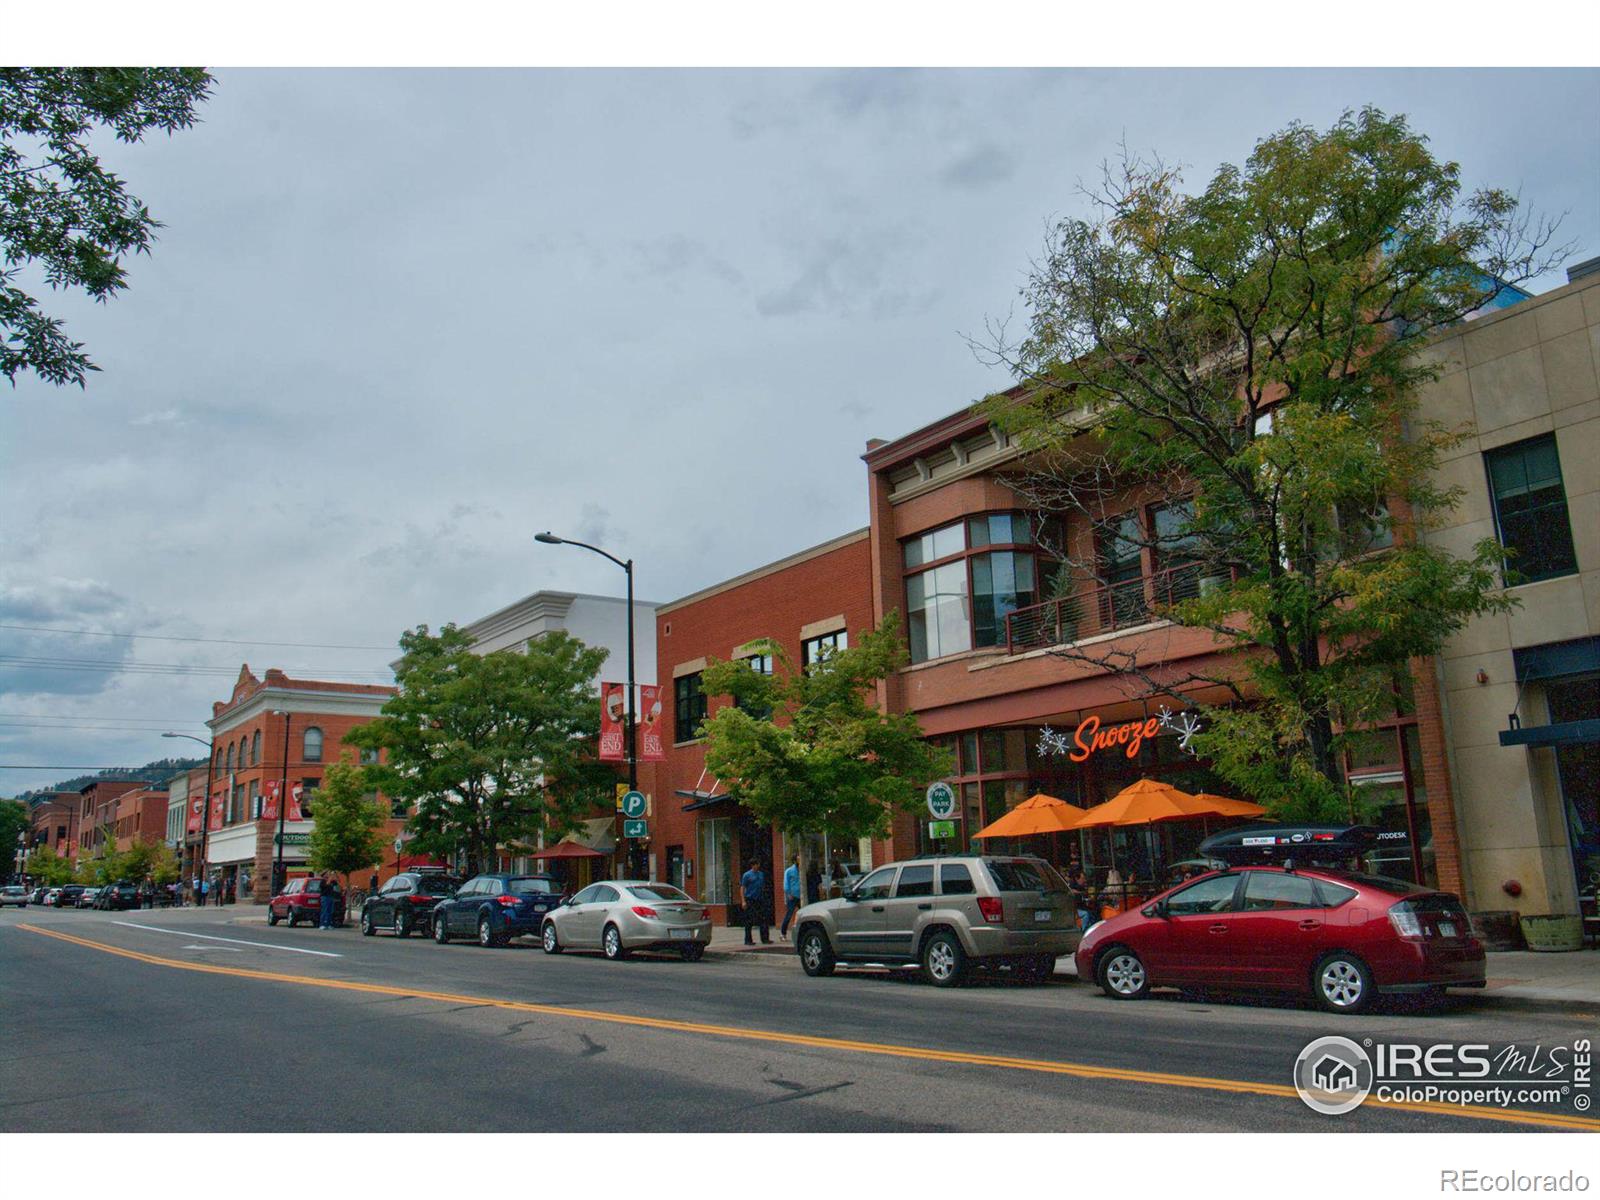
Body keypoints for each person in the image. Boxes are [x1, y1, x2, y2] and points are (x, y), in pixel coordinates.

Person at [739, 859, 770, 945]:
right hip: (750, 899)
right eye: (754, 865)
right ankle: (748, 940)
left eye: (757, 864)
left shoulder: (761, 874)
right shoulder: (747, 875)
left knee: (763, 918)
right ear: (752, 866)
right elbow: (742, 888)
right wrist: (743, 901)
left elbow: (762, 885)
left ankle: (765, 938)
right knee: (749, 920)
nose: (756, 866)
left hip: (760, 899)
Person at [779, 856, 801, 938]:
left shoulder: (802, 870)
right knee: (789, 914)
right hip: (792, 896)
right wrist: (788, 894)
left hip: (801, 896)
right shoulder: (789, 871)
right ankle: (783, 933)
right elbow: (786, 884)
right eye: (799, 859)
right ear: (795, 861)